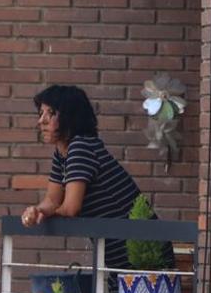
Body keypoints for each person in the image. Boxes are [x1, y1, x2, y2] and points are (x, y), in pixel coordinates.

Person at [21, 84, 146, 277]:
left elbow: (71, 208)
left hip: (141, 254)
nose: (41, 121)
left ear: (70, 117)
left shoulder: (81, 147)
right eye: (40, 113)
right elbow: (53, 200)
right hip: (119, 255)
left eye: (50, 113)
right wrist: (37, 210)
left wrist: (44, 215)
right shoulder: (63, 152)